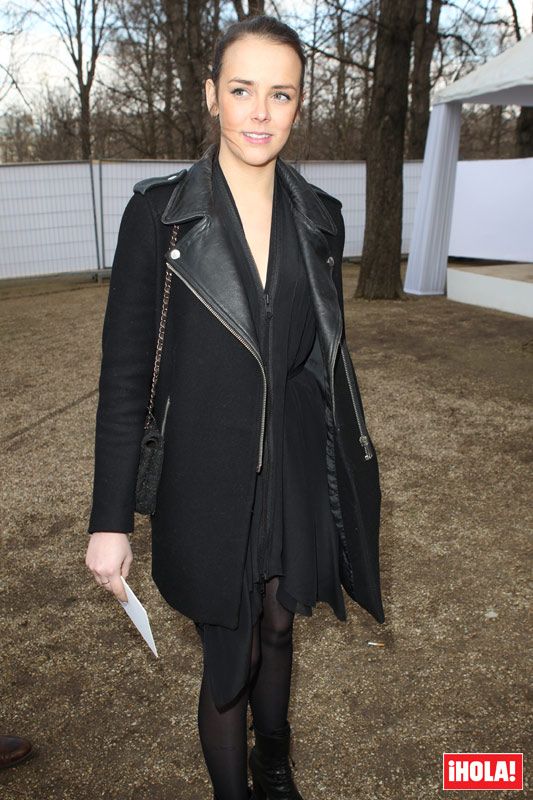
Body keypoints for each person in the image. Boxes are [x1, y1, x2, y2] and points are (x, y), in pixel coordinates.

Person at [85, 14, 384, 800]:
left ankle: (274, 758)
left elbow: (324, 359)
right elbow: (123, 381)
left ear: (297, 105)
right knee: (231, 653)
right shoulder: (160, 215)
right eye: (243, 89)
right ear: (212, 95)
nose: (259, 111)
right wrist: (108, 520)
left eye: (279, 94)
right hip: (204, 473)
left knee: (281, 622)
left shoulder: (320, 217)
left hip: (291, 461)